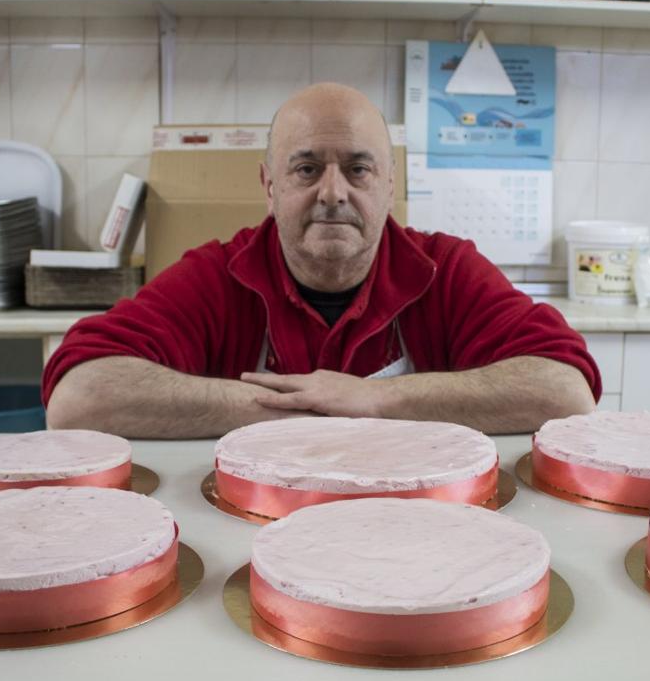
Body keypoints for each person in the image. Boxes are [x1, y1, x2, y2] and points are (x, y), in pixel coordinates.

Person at [43, 83, 600, 438]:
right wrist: (296, 408)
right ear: (268, 185)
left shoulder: (445, 272)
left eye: (358, 169)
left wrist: (376, 398)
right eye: (306, 169)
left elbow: (564, 390)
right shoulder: (217, 276)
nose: (333, 192)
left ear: (388, 185)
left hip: (421, 530)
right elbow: (80, 396)